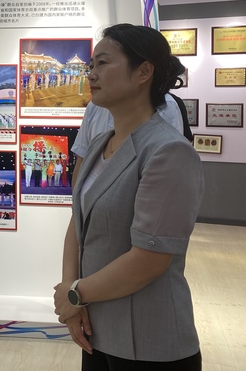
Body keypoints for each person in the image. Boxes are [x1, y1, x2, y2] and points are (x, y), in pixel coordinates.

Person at [53, 23, 204, 370]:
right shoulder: (98, 145)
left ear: (144, 72)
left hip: (150, 339)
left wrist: (75, 293)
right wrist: (70, 295)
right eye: (91, 65)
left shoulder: (169, 151)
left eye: (103, 63)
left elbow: (150, 258)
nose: (91, 73)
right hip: (96, 330)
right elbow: (78, 221)